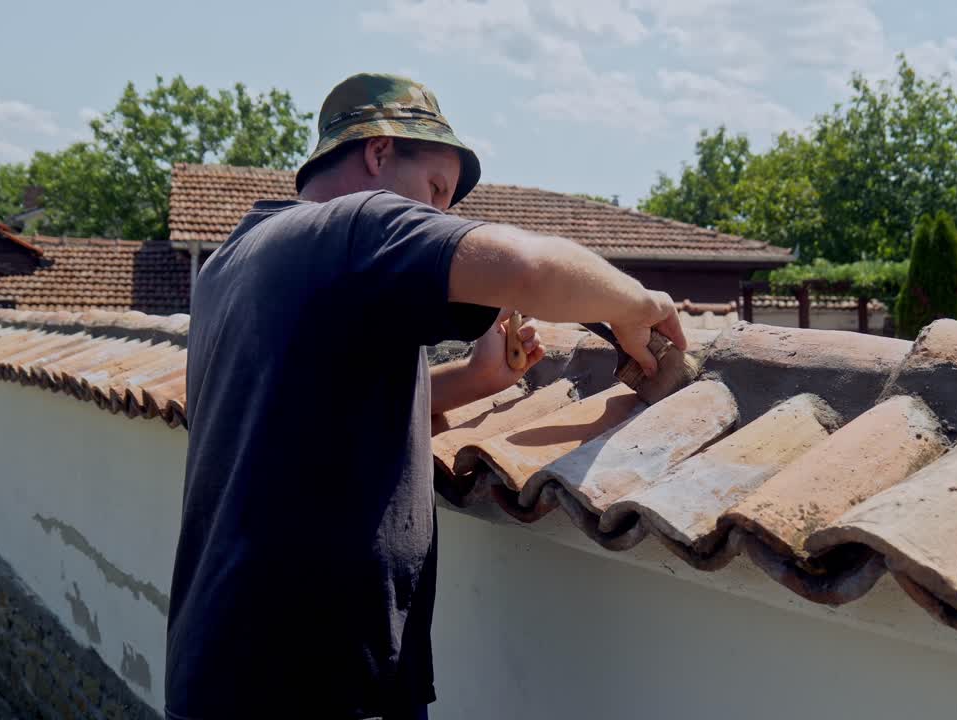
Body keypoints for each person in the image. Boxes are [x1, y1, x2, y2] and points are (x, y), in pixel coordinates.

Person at [164, 72, 686, 720]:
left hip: (229, 669)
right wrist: (640, 306)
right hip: (309, 682)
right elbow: (528, 268)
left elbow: (307, 403)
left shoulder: (234, 262)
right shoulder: (353, 225)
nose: (437, 216)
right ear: (379, 151)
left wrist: (479, 378)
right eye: (436, 189)